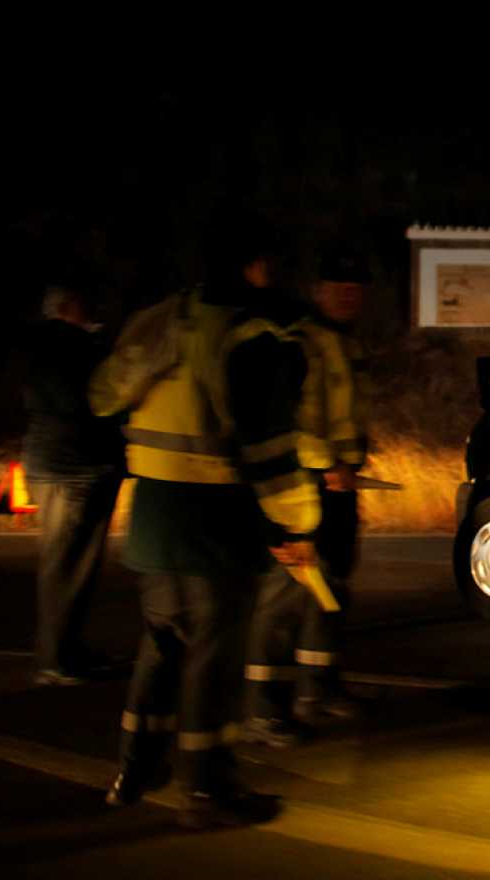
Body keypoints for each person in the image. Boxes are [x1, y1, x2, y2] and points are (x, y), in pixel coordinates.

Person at [89, 214, 319, 828]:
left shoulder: (161, 319)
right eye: (273, 261)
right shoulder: (253, 335)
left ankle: (134, 769)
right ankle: (207, 790)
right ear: (255, 265)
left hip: (153, 515)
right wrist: (297, 524)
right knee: (213, 659)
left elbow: (103, 396)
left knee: (163, 644)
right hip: (217, 520)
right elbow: (270, 450)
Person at [243, 246, 373, 745]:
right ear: (318, 291)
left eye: (355, 288)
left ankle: (318, 687)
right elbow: (290, 420)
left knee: (330, 587)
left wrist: (350, 464)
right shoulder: (300, 341)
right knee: (286, 594)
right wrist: (327, 464)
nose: (348, 296)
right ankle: (264, 707)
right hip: (303, 485)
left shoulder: (347, 343)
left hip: (341, 483)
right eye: (339, 287)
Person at [22, 283, 125, 685]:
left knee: (73, 566)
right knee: (66, 566)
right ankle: (55, 659)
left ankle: (68, 649)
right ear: (68, 307)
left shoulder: (47, 346)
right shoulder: (65, 347)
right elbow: (83, 400)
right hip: (71, 467)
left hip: (69, 464)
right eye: (86, 303)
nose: (93, 310)